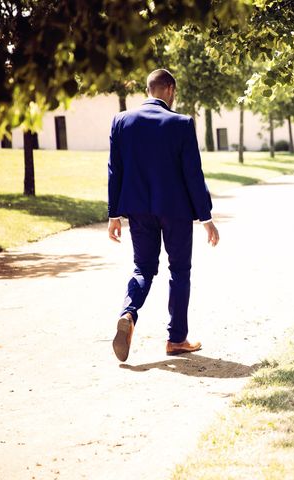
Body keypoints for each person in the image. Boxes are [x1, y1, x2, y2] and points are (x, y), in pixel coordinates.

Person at [108, 68, 219, 362]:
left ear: (148, 89)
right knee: (179, 270)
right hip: (176, 211)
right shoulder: (181, 123)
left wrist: (114, 215)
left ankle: (128, 314)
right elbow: (193, 174)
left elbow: (114, 170)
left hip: (138, 210)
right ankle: (176, 339)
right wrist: (206, 218)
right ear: (169, 89)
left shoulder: (121, 121)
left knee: (143, 267)